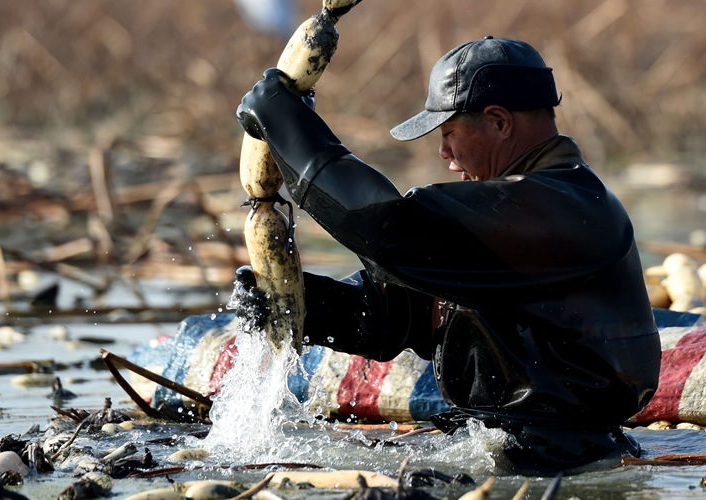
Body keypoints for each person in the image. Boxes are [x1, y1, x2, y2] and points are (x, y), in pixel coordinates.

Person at [235, 36, 661, 473]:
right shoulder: (523, 210)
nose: (444, 155)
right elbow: (405, 312)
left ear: (498, 122)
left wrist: (284, 121)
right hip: (503, 442)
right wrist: (303, 304)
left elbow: (386, 228)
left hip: (563, 458)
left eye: (449, 134)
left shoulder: (561, 208)